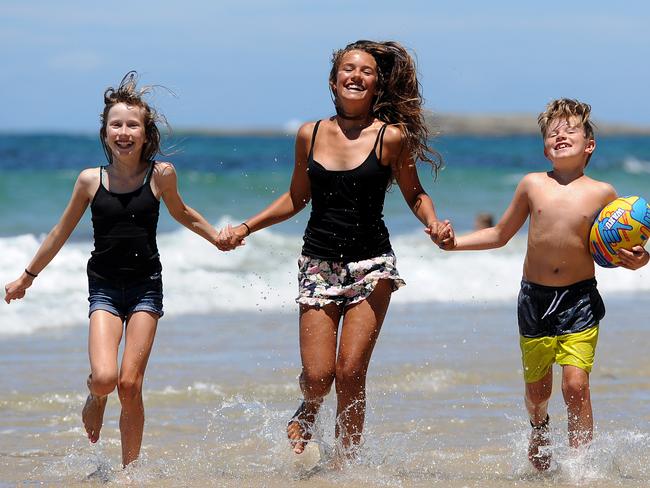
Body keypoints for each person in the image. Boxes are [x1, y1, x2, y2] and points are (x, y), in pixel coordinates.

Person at [217, 40, 451, 461]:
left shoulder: (390, 137)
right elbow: (295, 198)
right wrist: (248, 227)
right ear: (333, 80)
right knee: (318, 376)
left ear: (377, 85)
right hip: (318, 263)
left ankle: (346, 465)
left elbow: (415, 194)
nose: (356, 76)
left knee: (351, 372)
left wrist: (433, 223)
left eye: (366, 71)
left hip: (372, 265)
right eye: (348, 68)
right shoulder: (310, 135)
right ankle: (308, 407)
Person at [4, 72, 228, 467]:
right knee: (106, 379)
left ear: (145, 133)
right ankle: (94, 396)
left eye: (132, 125)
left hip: (146, 288)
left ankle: (130, 472)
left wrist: (217, 237)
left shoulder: (161, 175)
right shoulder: (91, 180)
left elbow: (184, 214)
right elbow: (60, 231)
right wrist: (27, 277)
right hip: (105, 288)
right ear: (105, 132)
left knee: (130, 384)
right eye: (116, 125)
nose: (124, 132)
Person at [432, 98, 649, 471]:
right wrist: (454, 244)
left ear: (589, 144)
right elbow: (501, 233)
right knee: (538, 391)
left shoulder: (604, 194)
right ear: (545, 147)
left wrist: (640, 260)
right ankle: (539, 426)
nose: (560, 134)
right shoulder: (532, 185)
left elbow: (623, 248)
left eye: (569, 129)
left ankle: (581, 465)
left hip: (579, 299)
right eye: (552, 132)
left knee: (575, 386)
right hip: (533, 299)